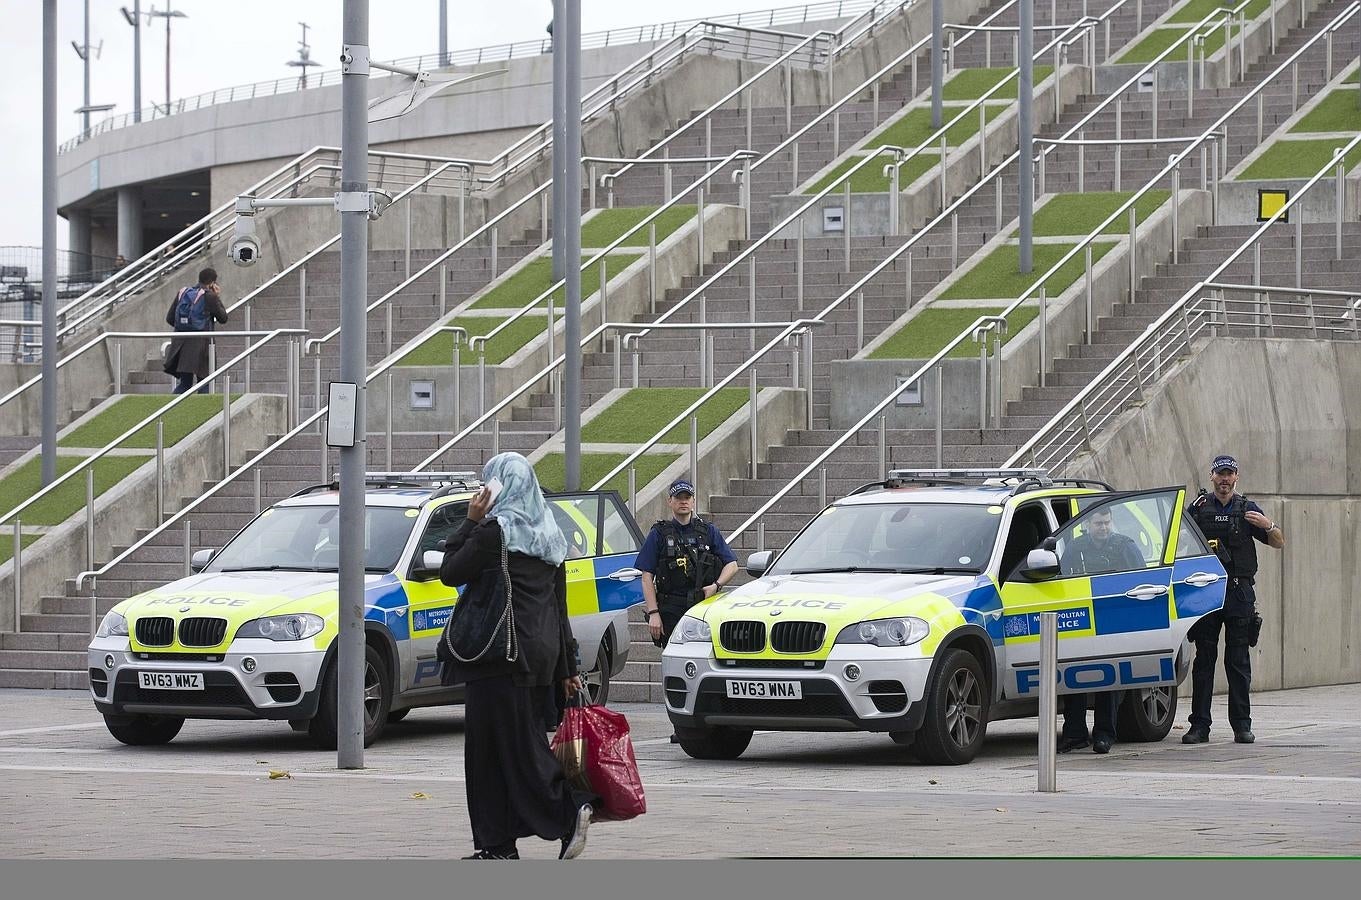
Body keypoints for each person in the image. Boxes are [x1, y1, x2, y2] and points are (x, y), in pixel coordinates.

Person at [439, 452, 597, 860]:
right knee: (509, 745)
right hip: (540, 655)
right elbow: (559, 609)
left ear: (499, 487)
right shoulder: (550, 537)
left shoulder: (494, 534)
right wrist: (568, 668)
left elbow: (451, 572)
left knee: (504, 751)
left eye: (487, 483)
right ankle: (498, 845)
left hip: (499, 655)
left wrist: (470, 520)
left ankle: (569, 809)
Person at [1182, 454, 1285, 745]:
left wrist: (1268, 524)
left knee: (1238, 661)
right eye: (1220, 474)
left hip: (1239, 593)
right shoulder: (1199, 508)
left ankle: (1242, 725)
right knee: (1205, 660)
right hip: (1207, 592)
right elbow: (1180, 542)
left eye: (1229, 474)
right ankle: (1199, 726)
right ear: (1211, 476)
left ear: (1236, 477)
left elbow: (1279, 542)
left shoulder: (1247, 509)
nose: (1224, 479)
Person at [1057, 507, 1144, 755]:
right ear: (1088, 525)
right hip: (1082, 620)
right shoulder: (1076, 548)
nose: (1103, 527)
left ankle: (1104, 735)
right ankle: (1074, 734)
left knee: (1108, 679)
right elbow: (1062, 580)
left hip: (1112, 620)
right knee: (1075, 677)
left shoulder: (1124, 546)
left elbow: (1141, 580)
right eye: (1098, 523)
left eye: (1106, 523)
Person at [636, 478, 738, 647]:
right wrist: (653, 612)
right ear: (670, 501)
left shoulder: (708, 531)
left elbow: (732, 565)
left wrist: (716, 586)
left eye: (687, 497)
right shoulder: (659, 533)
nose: (683, 501)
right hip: (671, 609)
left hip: (703, 607)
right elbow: (647, 576)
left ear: (693, 501)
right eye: (678, 497)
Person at [163, 267, 227, 395]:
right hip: (202, 346)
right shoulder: (209, 297)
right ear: (212, 283)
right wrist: (216, 296)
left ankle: (169, 410)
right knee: (205, 384)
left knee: (185, 384)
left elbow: (170, 318)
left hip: (180, 345)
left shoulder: (183, 293)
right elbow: (223, 318)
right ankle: (205, 412)